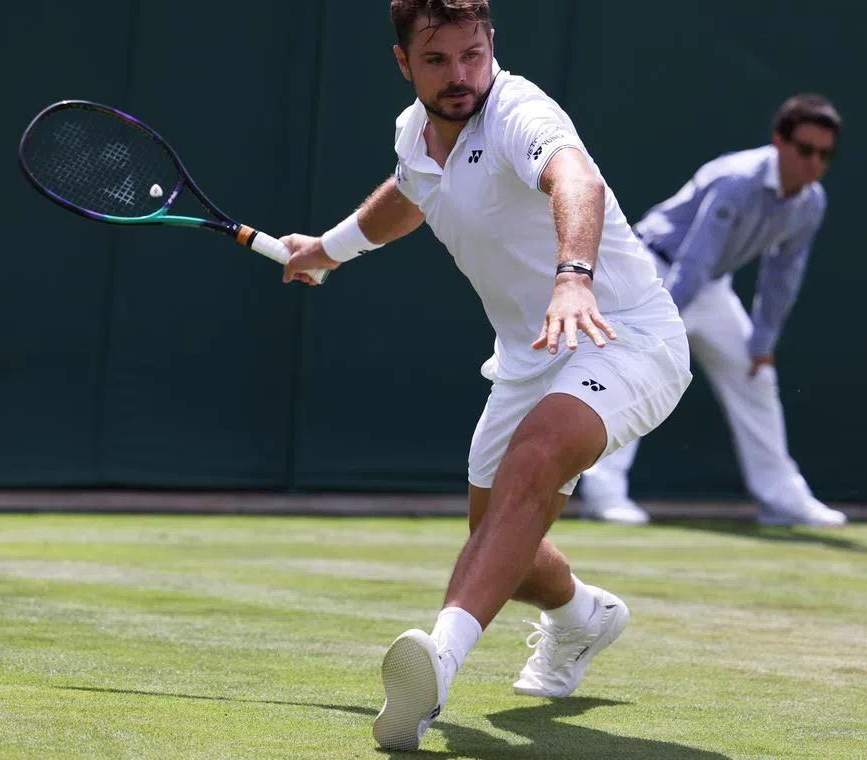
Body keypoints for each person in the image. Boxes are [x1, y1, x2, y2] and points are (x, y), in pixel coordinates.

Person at [278, 0, 691, 752]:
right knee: (501, 539)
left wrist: (573, 277)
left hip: (622, 335)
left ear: (490, 43)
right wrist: (329, 250)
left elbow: (578, 183)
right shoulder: (416, 133)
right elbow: (410, 192)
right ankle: (581, 617)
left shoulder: (519, 112)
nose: (461, 74)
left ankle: (437, 663)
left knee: (533, 463)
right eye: (438, 61)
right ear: (405, 64)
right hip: (529, 355)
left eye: (473, 54)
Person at [578, 94, 848, 529]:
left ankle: (783, 499)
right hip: (655, 272)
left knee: (755, 374)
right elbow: (694, 259)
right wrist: (660, 322)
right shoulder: (737, 180)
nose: (814, 163)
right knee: (636, 373)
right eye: (805, 150)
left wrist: (763, 341)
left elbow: (784, 273)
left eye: (825, 155)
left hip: (711, 287)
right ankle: (604, 494)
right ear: (779, 141)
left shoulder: (811, 202)